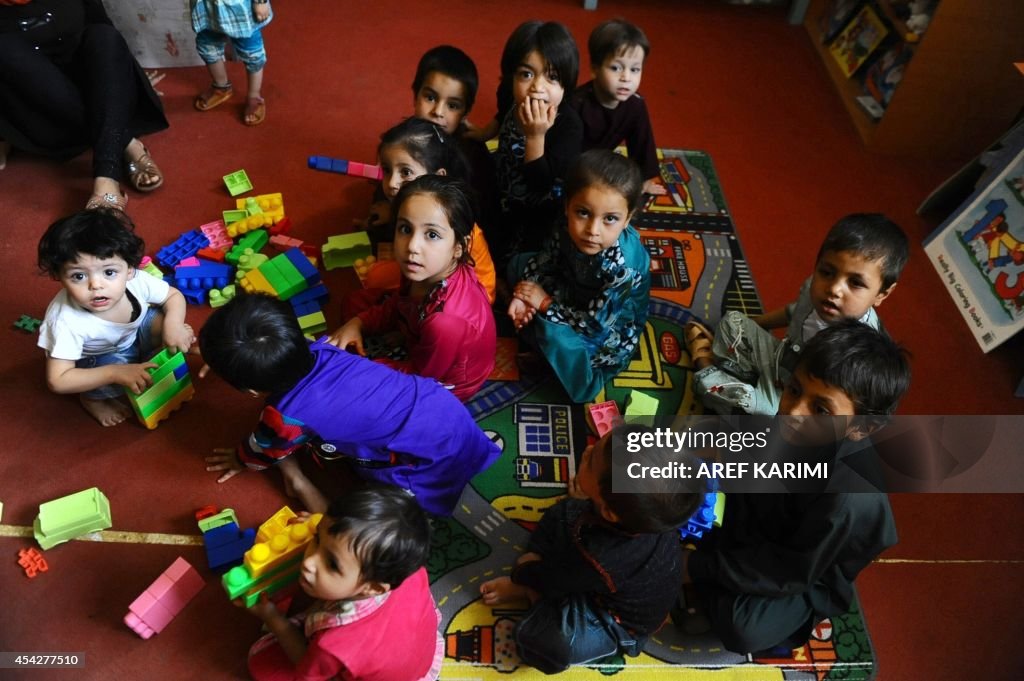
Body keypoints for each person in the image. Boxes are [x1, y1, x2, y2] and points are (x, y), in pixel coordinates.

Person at [680, 320, 910, 654]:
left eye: (820, 410)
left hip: (808, 572)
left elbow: (789, 570)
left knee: (742, 628)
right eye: (795, 389)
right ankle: (715, 575)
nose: (792, 412)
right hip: (773, 523)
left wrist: (695, 567)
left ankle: (716, 588)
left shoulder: (845, 500)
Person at [199, 292, 500, 516]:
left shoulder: (285, 417)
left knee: (367, 514)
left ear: (251, 390)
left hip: (425, 464)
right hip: (449, 412)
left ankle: (300, 483)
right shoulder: (325, 349)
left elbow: (259, 452)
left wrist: (240, 458)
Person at [479, 424, 704, 673]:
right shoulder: (647, 517)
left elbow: (556, 579)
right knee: (565, 512)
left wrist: (523, 577)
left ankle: (535, 598)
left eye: (590, 461)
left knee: (541, 643)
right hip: (608, 572)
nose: (586, 450)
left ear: (609, 511)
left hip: (615, 623)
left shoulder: (601, 558)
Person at [685, 213, 908, 415]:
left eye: (855, 283)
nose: (834, 289)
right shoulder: (816, 289)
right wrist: (752, 325)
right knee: (731, 322)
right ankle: (745, 381)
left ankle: (704, 365)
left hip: (799, 396)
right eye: (827, 272)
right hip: (781, 359)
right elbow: (792, 312)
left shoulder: (862, 350)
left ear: (882, 293)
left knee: (763, 416)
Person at [245, 486, 443, 681]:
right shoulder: (409, 569)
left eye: (332, 564)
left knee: (261, 665)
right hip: (415, 648)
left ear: (373, 587)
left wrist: (274, 620)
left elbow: (307, 670)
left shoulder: (331, 645)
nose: (309, 562)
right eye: (317, 537)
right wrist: (327, 531)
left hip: (365, 663)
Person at [329, 174, 497, 402]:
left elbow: (423, 381)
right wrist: (358, 322)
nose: (412, 246)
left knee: (350, 382)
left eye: (432, 234)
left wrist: (366, 367)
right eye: (405, 229)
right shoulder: (424, 267)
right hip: (420, 332)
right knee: (354, 302)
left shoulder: (446, 322)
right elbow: (396, 303)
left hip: (442, 386)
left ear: (460, 246)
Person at [508, 149, 650, 403]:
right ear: (567, 207)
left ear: (627, 219)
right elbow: (546, 260)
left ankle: (585, 380)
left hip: (609, 328)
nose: (592, 230)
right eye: (583, 213)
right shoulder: (564, 225)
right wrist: (524, 291)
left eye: (610, 219)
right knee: (519, 264)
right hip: (573, 284)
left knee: (555, 334)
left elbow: (594, 327)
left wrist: (544, 304)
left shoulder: (623, 268)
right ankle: (539, 332)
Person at [0, 0, 168, 210]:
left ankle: (106, 180)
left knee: (103, 36)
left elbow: (104, 30)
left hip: (93, 88)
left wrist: (128, 74)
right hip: (44, 109)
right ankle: (126, 142)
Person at [36, 208, 193, 427]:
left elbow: (173, 296)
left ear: (129, 269)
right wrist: (114, 373)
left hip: (132, 333)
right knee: (114, 367)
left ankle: (144, 353)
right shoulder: (64, 322)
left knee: (163, 320)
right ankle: (92, 398)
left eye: (109, 272)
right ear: (59, 277)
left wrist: (173, 325)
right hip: (99, 356)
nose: (96, 285)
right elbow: (58, 380)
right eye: (78, 276)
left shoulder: (137, 280)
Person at [354, 116, 497, 303]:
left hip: (470, 296)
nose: (391, 184)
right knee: (376, 277)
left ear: (438, 176)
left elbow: (480, 285)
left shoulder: (456, 221)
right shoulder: (412, 199)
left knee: (375, 280)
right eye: (387, 170)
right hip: (435, 272)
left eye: (406, 172)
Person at [491, 20, 584, 265]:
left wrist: (535, 136)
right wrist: (482, 133)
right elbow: (501, 116)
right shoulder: (508, 94)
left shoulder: (570, 127)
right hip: (504, 189)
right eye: (526, 74)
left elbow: (541, 185)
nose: (537, 87)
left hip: (540, 210)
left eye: (552, 77)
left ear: (567, 85)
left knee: (524, 263)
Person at [410, 45, 500, 236]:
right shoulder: (404, 138)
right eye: (430, 97)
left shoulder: (472, 158)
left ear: (465, 113)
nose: (438, 112)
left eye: (452, 105)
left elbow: (480, 216)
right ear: (415, 95)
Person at [571, 19, 665, 196]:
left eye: (635, 69)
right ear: (594, 69)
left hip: (599, 162)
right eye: (616, 68)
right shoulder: (576, 104)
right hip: (571, 164)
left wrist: (644, 179)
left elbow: (642, 143)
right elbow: (564, 148)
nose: (626, 78)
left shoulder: (635, 104)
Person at [190, 0, 272, 126]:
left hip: (240, 9)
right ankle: (221, 87)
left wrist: (261, 2)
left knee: (252, 54)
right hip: (208, 8)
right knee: (207, 47)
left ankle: (254, 95)